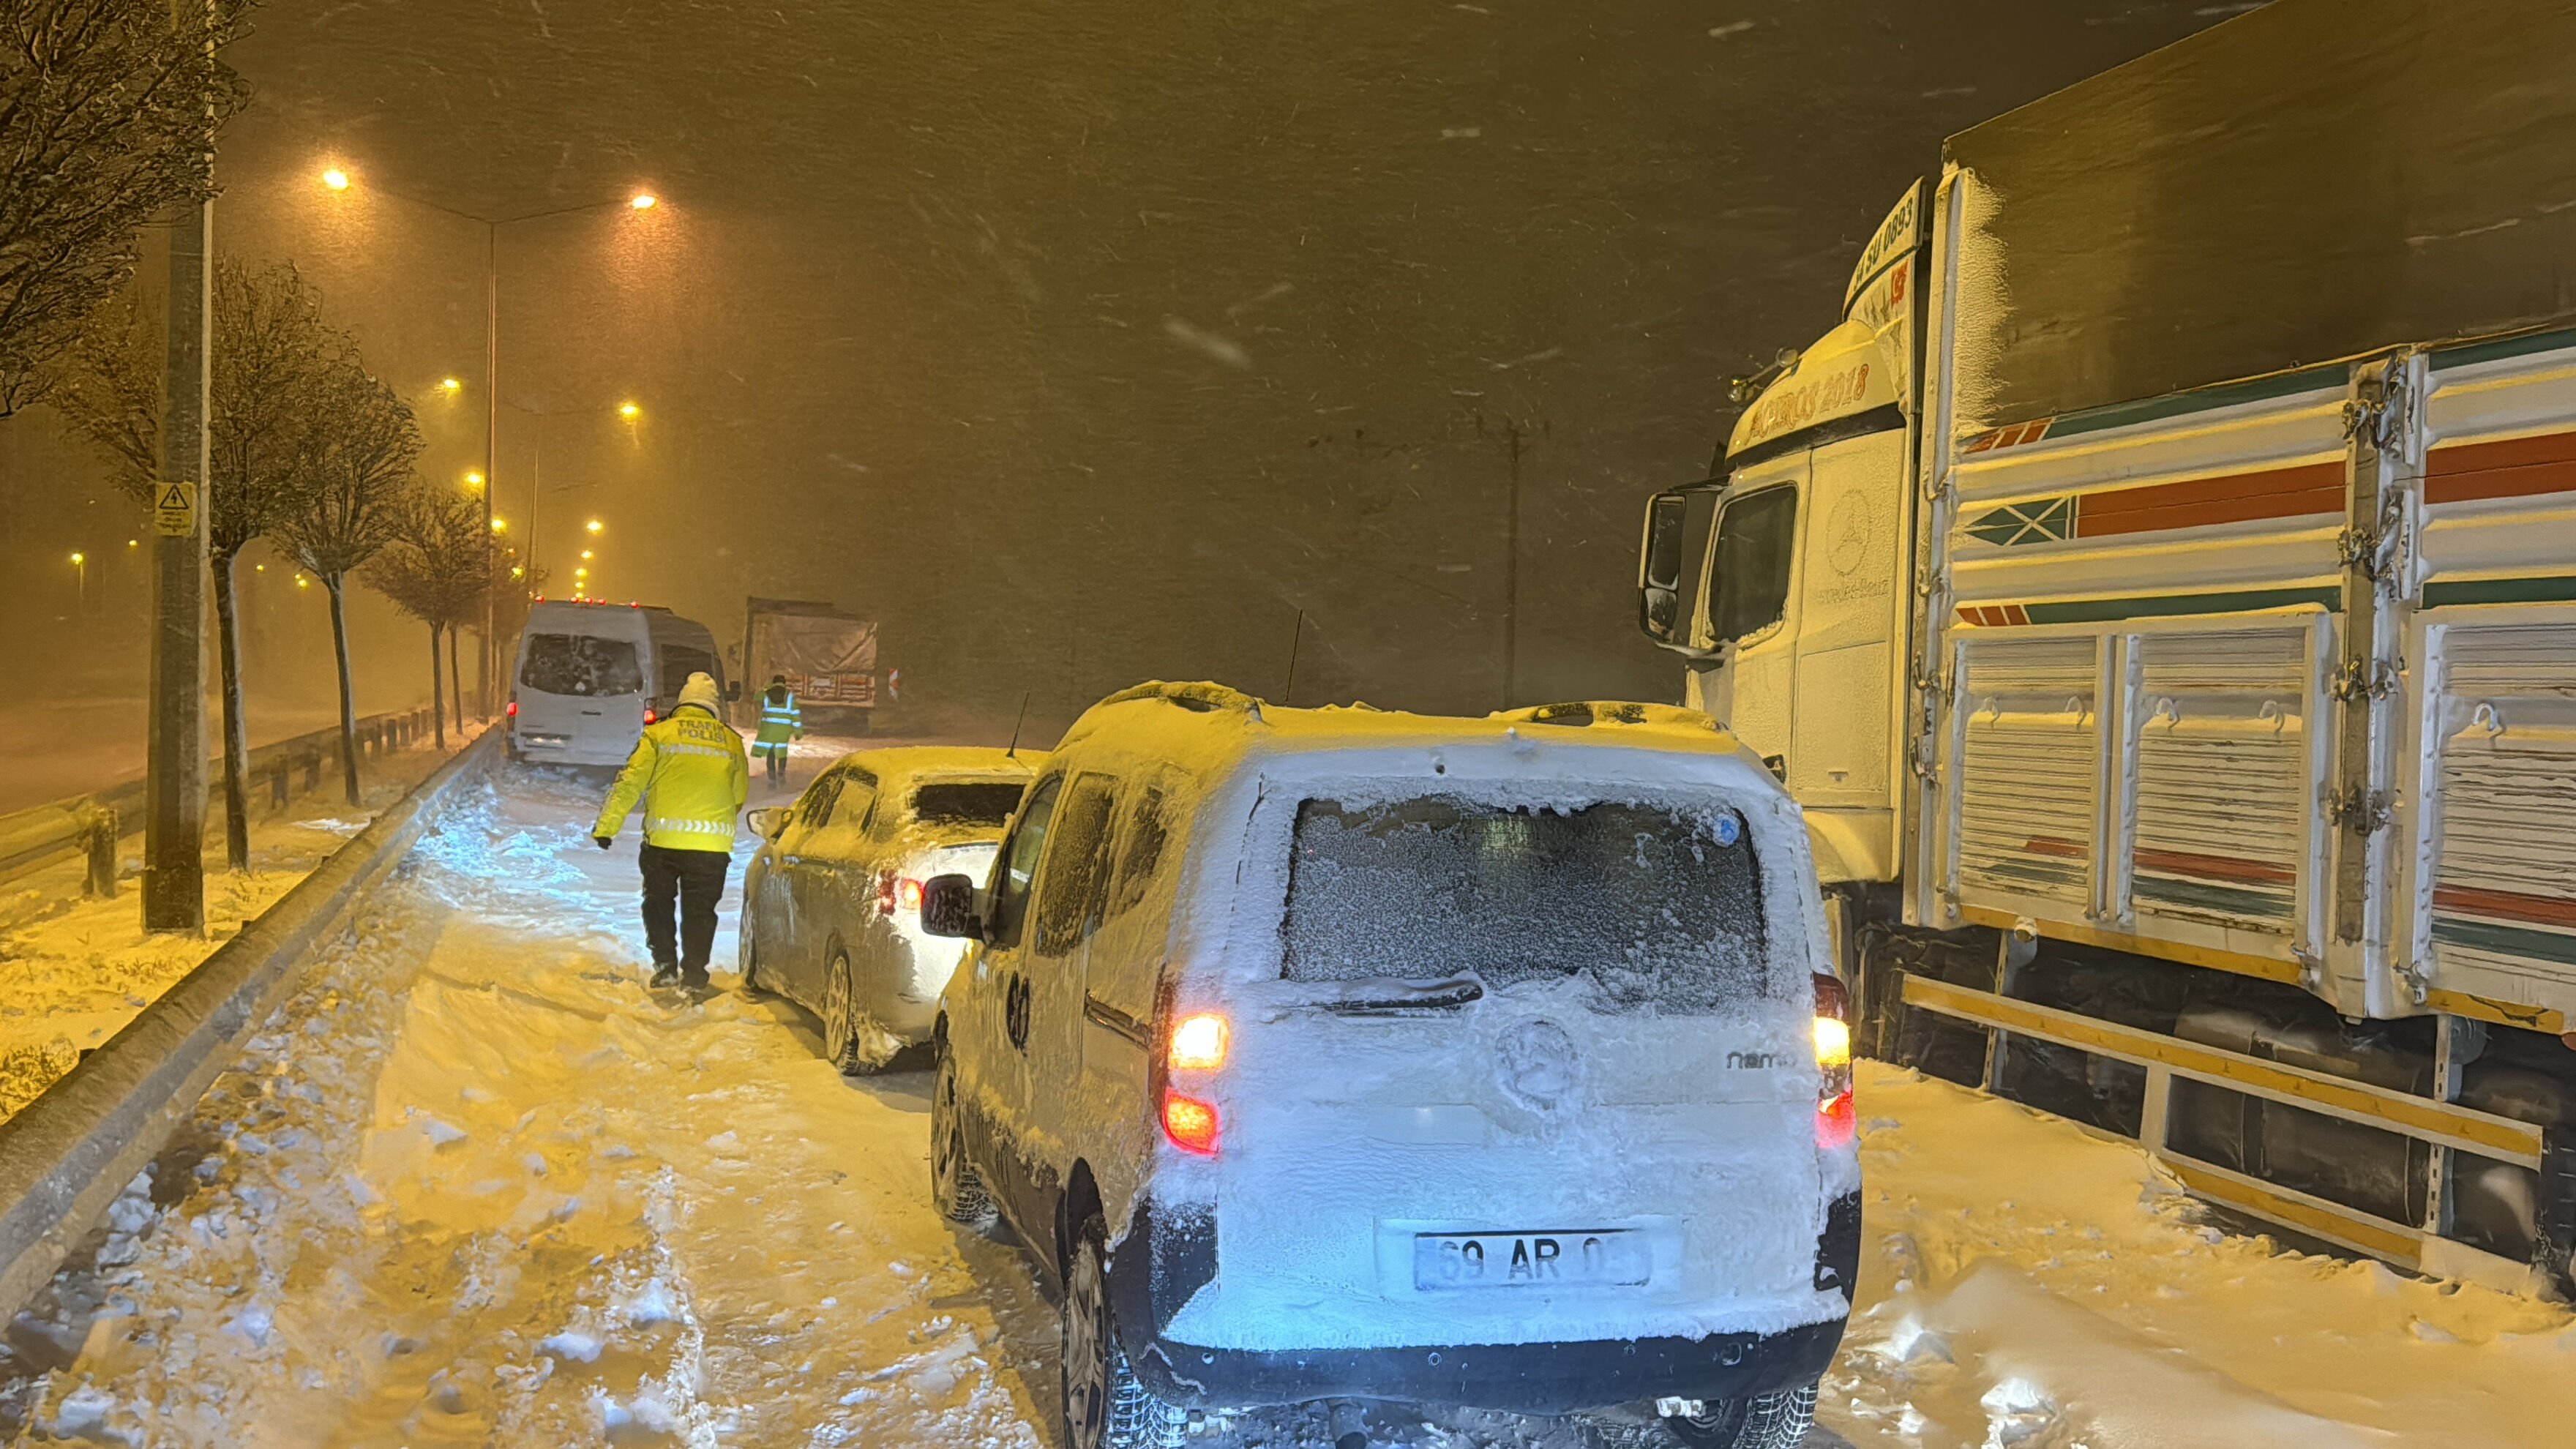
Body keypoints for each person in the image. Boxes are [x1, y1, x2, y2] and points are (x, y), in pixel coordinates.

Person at [593, 671, 748, 989]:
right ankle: (695, 974)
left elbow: (629, 783)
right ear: (713, 707)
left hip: (662, 844)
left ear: (682, 703)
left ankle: (665, 967)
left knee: (658, 903)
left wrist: (606, 827)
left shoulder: (659, 735)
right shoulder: (732, 742)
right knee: (701, 912)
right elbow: (738, 796)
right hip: (711, 847)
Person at [752, 674, 804, 788]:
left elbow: (756, 697)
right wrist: (798, 731)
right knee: (782, 752)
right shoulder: (790, 696)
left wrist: (766, 687)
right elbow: (795, 715)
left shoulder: (766, 694)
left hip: (769, 729)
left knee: (770, 754)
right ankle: (781, 773)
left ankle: (772, 780)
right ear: (784, 683)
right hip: (783, 731)